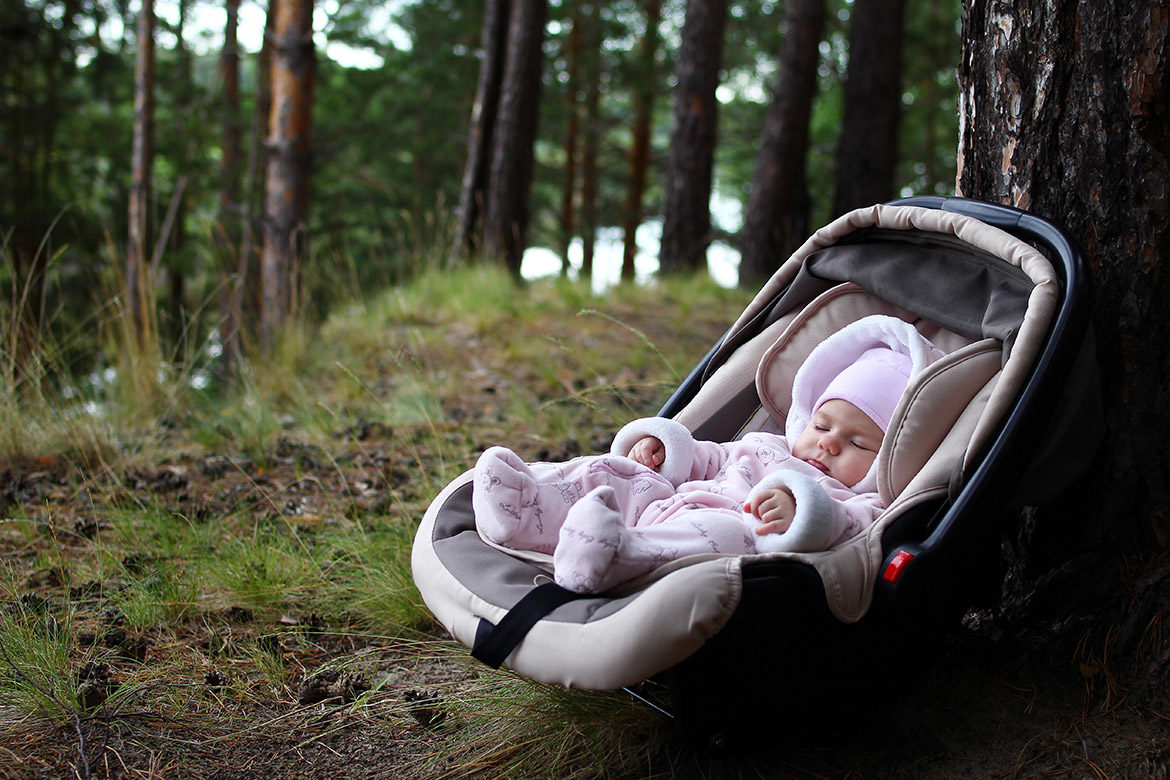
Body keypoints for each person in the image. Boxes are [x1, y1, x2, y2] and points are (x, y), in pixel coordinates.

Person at [472, 315, 943, 593]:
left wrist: (804, 511)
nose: (828, 442)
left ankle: (613, 556)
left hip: (725, 539)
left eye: (859, 442)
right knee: (619, 476)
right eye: (822, 424)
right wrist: (663, 449)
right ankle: (525, 507)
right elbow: (709, 458)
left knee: (721, 532)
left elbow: (855, 533)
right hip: (662, 502)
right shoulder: (768, 445)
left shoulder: (863, 500)